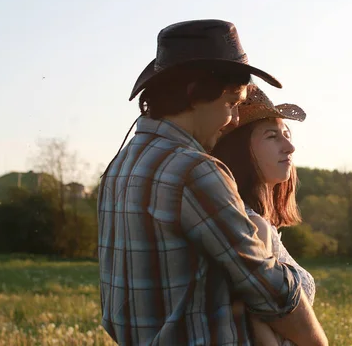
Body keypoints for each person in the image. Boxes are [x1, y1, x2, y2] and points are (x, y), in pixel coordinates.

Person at [97, 19, 327, 346]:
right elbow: (268, 289)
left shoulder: (118, 168)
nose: (234, 119)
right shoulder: (193, 170)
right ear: (195, 95)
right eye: (231, 104)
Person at [212, 84, 315, 346]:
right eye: (272, 136)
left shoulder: (257, 221)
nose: (289, 146)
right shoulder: (253, 227)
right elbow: (255, 328)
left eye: (286, 134)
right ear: (240, 149)